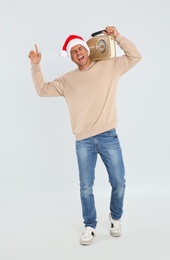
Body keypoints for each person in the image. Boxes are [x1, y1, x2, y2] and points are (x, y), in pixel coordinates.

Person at [28, 26, 142, 245]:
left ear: (87, 50)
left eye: (80, 48)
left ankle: (115, 217)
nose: (78, 53)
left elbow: (135, 56)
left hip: (109, 135)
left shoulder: (109, 66)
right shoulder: (67, 80)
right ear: (71, 57)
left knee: (119, 182)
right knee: (85, 187)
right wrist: (35, 65)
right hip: (83, 141)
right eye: (73, 52)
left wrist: (117, 37)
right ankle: (89, 224)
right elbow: (42, 90)